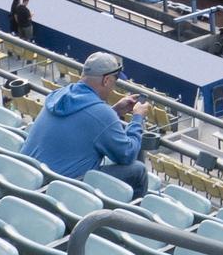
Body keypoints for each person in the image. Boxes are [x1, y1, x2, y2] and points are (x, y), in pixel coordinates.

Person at [22, 52, 152, 198]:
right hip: (62, 189)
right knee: (138, 170)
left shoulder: (59, 94)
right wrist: (137, 118)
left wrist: (114, 111)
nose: (113, 87)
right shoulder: (101, 115)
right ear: (106, 80)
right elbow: (127, 154)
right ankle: (135, 217)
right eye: (115, 81)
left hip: (28, 177)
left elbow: (87, 122)